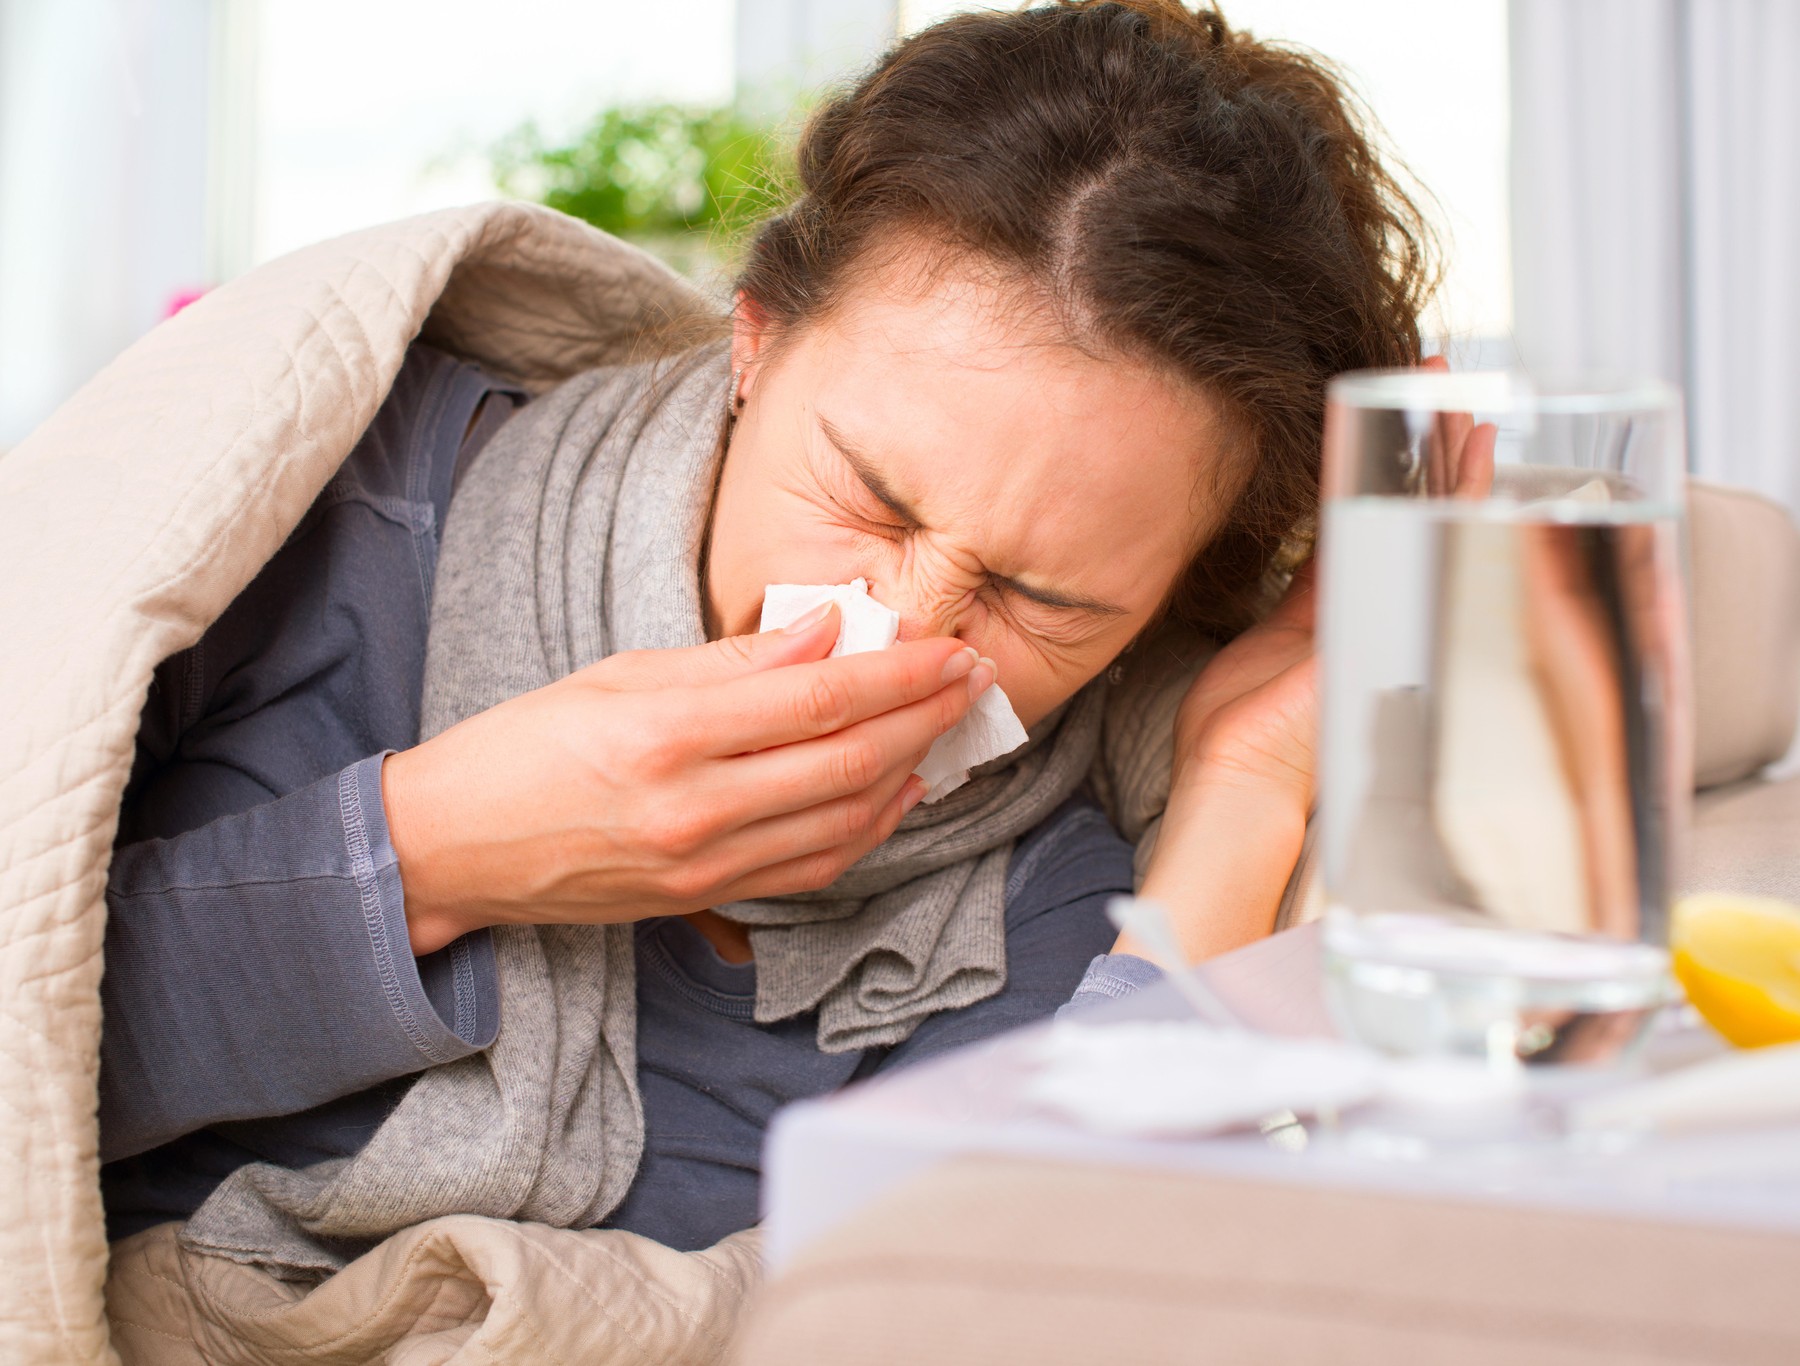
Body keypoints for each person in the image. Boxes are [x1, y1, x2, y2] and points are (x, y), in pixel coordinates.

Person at [99, 0, 1433, 1271]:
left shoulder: (1045, 876)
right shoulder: (322, 514)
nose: (904, 632)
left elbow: (1013, 1301)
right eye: (871, 495)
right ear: (756, 340)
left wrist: (1244, 788)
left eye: (1047, 600)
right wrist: (440, 846)